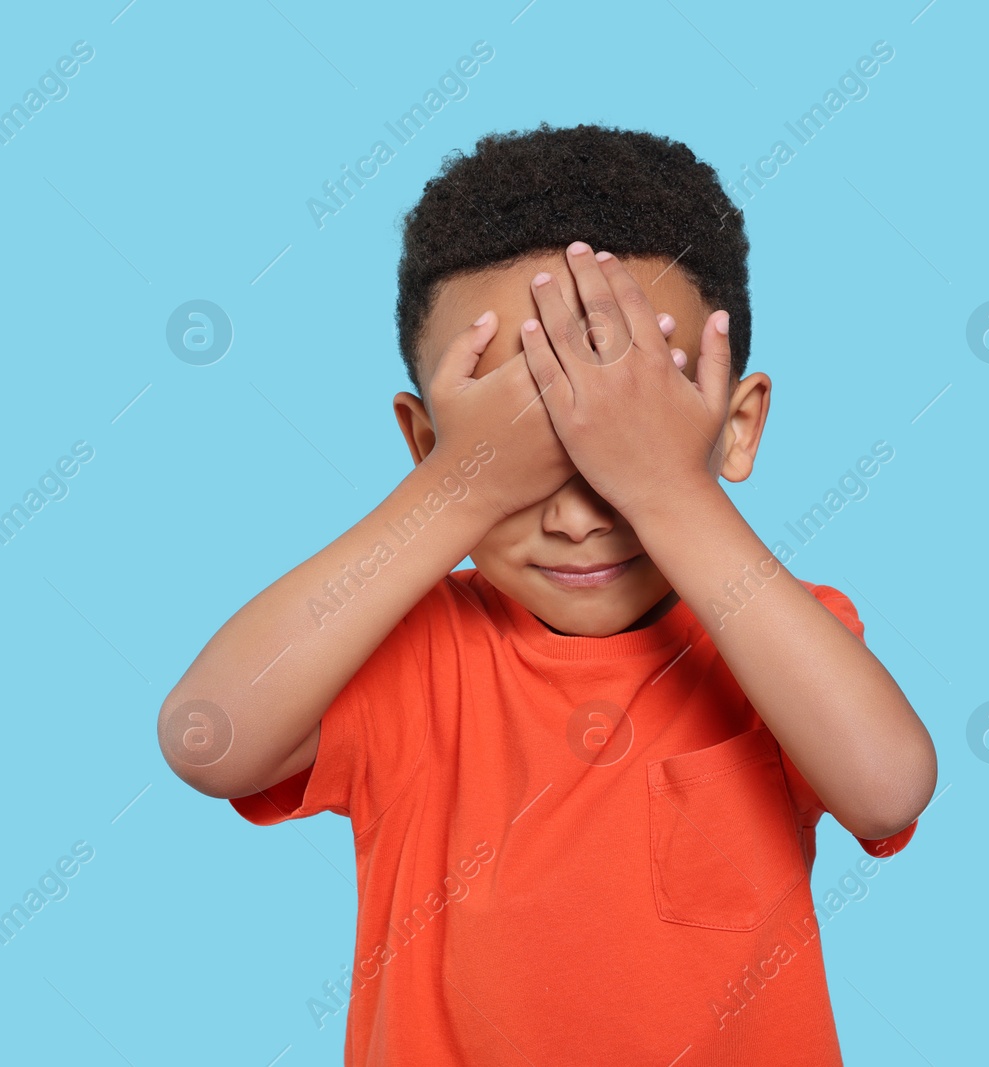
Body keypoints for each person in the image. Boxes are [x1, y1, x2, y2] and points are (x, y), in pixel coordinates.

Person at [157, 122, 938, 1065]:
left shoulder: (770, 637)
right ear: (422, 444)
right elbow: (207, 737)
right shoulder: (410, 653)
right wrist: (462, 484)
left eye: (616, 455)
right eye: (528, 458)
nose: (574, 518)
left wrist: (667, 489)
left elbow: (890, 788)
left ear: (737, 429)